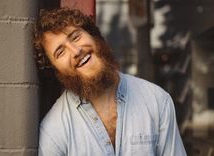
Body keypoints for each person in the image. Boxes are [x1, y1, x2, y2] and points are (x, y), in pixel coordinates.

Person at [33, 7, 187, 156]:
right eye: (61, 52)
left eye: (76, 37)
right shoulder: (53, 131)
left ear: (93, 35)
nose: (76, 51)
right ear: (55, 69)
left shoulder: (157, 100)